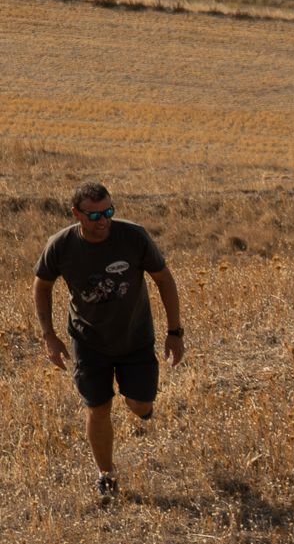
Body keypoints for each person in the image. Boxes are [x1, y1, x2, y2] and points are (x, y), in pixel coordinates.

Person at [33, 182, 185, 501]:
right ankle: (106, 475)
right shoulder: (60, 245)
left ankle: (141, 407)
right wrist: (49, 336)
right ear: (76, 214)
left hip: (136, 337)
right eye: (95, 215)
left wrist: (175, 332)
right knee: (98, 407)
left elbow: (164, 280)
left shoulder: (134, 237)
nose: (103, 221)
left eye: (109, 212)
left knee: (139, 404)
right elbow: (42, 285)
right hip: (88, 340)